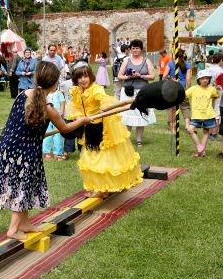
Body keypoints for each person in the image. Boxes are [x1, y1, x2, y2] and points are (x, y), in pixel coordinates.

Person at [0, 61, 90, 240]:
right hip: (24, 153)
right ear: (55, 83)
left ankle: (25, 224)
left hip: (6, 147)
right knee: (23, 187)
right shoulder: (48, 107)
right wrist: (81, 121)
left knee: (22, 185)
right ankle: (13, 229)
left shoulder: (22, 94)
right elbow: (65, 129)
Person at [66, 64, 143, 199]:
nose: (83, 79)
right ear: (75, 79)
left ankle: (102, 189)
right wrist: (79, 118)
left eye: (86, 76)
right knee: (90, 158)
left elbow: (104, 99)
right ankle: (99, 187)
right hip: (87, 127)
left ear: (90, 77)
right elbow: (75, 107)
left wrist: (104, 108)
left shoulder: (96, 89)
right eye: (79, 77)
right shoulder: (76, 91)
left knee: (99, 159)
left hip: (99, 128)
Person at [118, 39, 156, 146]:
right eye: (133, 48)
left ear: (141, 49)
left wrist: (141, 76)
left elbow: (152, 76)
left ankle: (139, 140)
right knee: (128, 113)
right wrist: (129, 76)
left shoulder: (146, 61)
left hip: (142, 91)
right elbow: (120, 76)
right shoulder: (126, 61)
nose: (135, 50)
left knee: (141, 114)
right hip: (128, 92)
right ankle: (126, 139)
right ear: (130, 49)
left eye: (137, 48)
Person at [184, 69, 220, 157]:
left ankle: (202, 151)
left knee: (206, 132)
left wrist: (217, 89)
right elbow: (184, 95)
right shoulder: (193, 89)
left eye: (207, 78)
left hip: (208, 115)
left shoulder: (211, 89)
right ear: (198, 80)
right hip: (196, 116)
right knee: (190, 129)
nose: (205, 80)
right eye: (203, 78)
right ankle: (199, 146)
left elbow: (216, 95)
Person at [164, 48, 192, 132]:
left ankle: (173, 128)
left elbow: (164, 76)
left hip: (172, 87)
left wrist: (171, 79)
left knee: (171, 107)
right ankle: (187, 125)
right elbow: (188, 79)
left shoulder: (170, 63)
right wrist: (188, 88)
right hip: (182, 87)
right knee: (185, 106)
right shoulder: (187, 65)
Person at [42, 85, 65, 160]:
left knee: (58, 135)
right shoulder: (45, 94)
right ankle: (46, 152)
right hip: (46, 117)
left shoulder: (59, 93)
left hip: (57, 117)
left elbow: (62, 104)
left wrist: (61, 113)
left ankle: (57, 153)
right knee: (47, 134)